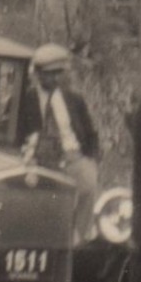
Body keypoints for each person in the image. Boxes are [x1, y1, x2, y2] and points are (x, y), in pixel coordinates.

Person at [16, 43, 101, 242]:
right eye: (48, 73)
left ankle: (80, 242)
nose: (54, 78)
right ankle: (45, 240)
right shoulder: (24, 100)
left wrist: (92, 160)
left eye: (58, 73)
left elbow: (90, 133)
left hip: (74, 157)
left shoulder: (74, 99)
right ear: (37, 73)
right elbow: (15, 134)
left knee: (89, 185)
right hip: (39, 161)